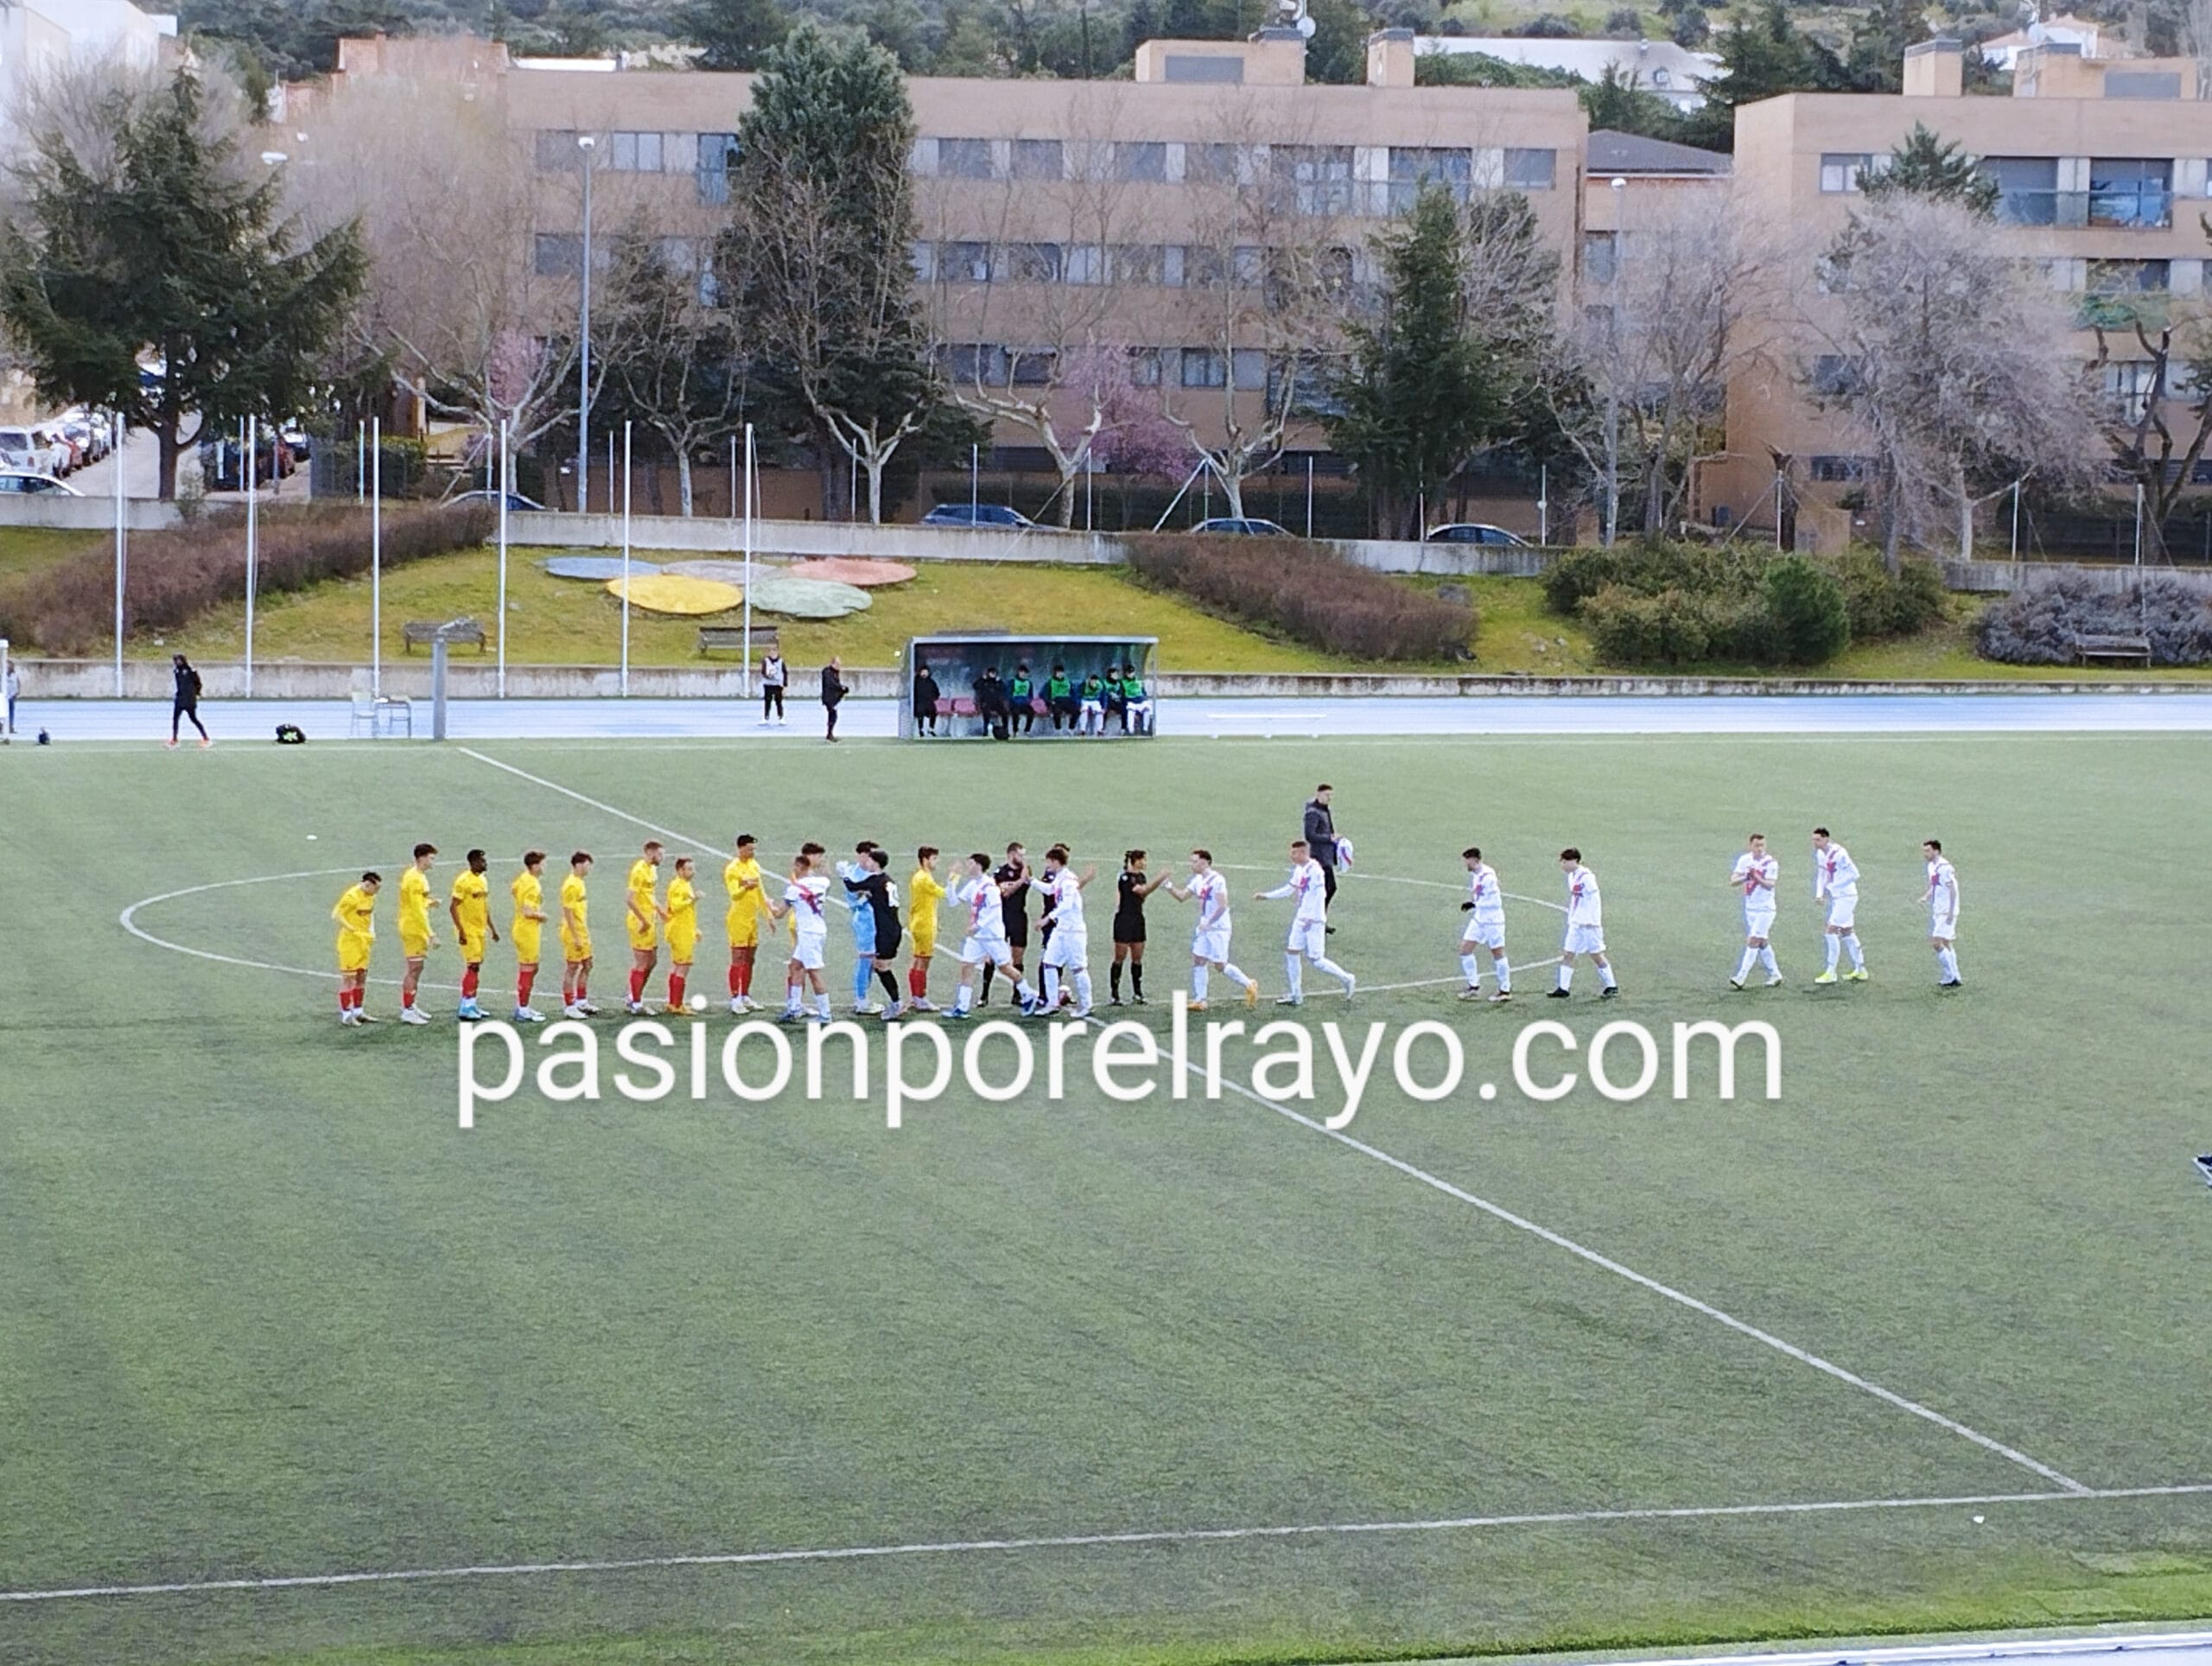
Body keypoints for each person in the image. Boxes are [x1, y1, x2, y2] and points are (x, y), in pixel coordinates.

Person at [1256, 838, 1356, 1006]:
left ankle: (1347, 978)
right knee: (1292, 952)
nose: (1291, 855)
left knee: (1316, 959)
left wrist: (1313, 918)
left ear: (1303, 852)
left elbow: (1320, 895)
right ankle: (1296, 994)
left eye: (1294, 852)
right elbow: (1289, 889)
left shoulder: (1315, 870)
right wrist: (1266, 896)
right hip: (1301, 918)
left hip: (1313, 920)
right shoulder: (1299, 869)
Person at [1165, 849, 1258, 1011]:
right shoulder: (1197, 880)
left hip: (1218, 928)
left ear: (1205, 862)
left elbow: (1222, 905)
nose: (1191, 865)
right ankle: (1201, 1000)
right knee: (1198, 959)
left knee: (1220, 965)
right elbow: (1181, 896)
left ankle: (1249, 984)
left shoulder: (1217, 880)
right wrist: (1168, 885)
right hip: (1205, 927)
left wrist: (1210, 921)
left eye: (1195, 861)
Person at [949, 853, 1039, 1017]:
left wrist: (978, 926)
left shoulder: (989, 886)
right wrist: (952, 880)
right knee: (966, 966)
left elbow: (994, 912)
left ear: (978, 865)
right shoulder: (973, 885)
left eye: (970, 864)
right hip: (977, 938)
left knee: (1005, 968)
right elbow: (953, 901)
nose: (968, 867)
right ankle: (962, 1007)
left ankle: (1028, 995)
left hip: (992, 936)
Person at [772, 849, 835, 1022]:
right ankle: (795, 1007)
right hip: (818, 930)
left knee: (814, 973)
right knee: (795, 966)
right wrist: (824, 863)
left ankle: (825, 1014)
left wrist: (768, 905)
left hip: (809, 934)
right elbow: (828, 877)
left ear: (800, 867)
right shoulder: (822, 882)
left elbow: (779, 914)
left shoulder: (794, 889)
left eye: (795, 866)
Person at [1035, 845, 1097, 1017]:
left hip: (1073, 931)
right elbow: (1049, 890)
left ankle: (1087, 1005)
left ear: (1055, 861)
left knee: (1078, 968)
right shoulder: (1060, 878)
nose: (1047, 866)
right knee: (1049, 963)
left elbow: (1067, 905)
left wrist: (1048, 918)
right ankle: (1052, 1003)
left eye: (1049, 862)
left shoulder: (1069, 881)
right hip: (1061, 930)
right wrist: (1030, 881)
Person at [843, 847, 906, 1018]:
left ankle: (897, 1004)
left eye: (870, 860)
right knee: (880, 966)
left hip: (885, 931)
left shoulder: (875, 880)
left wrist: (844, 874)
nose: (867, 863)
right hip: (893, 928)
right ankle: (896, 1002)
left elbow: (852, 886)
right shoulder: (887, 881)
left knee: (881, 967)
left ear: (876, 863)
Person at [1548, 847, 1618, 1000]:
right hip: (1576, 923)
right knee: (1568, 954)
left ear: (1575, 861)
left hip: (1589, 924)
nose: (1563, 865)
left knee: (1596, 955)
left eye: (1566, 861)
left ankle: (1611, 986)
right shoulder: (1572, 877)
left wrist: (1591, 918)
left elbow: (1593, 898)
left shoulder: (1587, 877)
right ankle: (1563, 988)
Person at [1109, 849, 1169, 1005]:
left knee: (1137, 957)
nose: (1145, 863)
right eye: (1143, 860)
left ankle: (1137, 993)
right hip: (1124, 920)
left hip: (1137, 919)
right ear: (1135, 861)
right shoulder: (1124, 878)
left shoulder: (1141, 877)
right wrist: (1160, 878)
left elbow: (1142, 895)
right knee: (1120, 957)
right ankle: (1115, 994)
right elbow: (1142, 891)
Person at [448, 848, 500, 1021]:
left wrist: (492, 928)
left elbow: (484, 906)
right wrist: (461, 931)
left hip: (480, 930)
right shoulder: (463, 881)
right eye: (482, 861)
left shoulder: (483, 880)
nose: (485, 864)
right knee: (473, 966)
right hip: (468, 930)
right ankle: (465, 1006)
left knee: (477, 966)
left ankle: (472, 1003)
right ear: (473, 862)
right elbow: (453, 907)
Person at [1811, 826, 1867, 985]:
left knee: (1831, 930)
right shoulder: (1820, 854)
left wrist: (1835, 886)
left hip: (1847, 896)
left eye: (1818, 840)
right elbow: (1822, 874)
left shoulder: (1840, 854)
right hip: (1839, 897)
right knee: (1847, 931)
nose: (1815, 843)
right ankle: (1860, 969)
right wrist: (1819, 893)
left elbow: (1854, 874)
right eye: (1814, 840)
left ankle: (1831, 971)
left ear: (1826, 839)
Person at [1728, 833, 1783, 990]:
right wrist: (1747, 876)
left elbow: (1770, 885)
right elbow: (1733, 881)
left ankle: (1741, 976)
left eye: (1762, 845)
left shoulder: (1771, 863)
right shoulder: (1744, 860)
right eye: (1757, 846)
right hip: (1750, 908)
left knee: (1753, 940)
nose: (1760, 849)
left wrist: (1756, 877)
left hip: (1766, 909)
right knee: (1762, 942)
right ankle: (1775, 974)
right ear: (1750, 846)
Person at [836, 840, 886, 1014]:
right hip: (865, 922)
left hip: (877, 921)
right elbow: (853, 902)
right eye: (871, 856)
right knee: (865, 960)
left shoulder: (873, 873)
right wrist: (866, 896)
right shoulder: (854, 874)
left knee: (871, 961)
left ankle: (864, 998)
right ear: (862, 856)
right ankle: (861, 1000)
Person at [1458, 847, 1511, 1002]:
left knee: (1497, 953)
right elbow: (1479, 896)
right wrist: (1473, 904)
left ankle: (1505, 990)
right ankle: (1474, 986)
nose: (1465, 864)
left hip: (1493, 920)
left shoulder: (1488, 876)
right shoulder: (1476, 875)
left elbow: (1493, 899)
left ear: (1474, 860)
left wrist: (1475, 904)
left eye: (1467, 861)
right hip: (1479, 918)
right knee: (1465, 950)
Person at [723, 833, 769, 1014]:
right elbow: (734, 894)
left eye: (753, 849)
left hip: (752, 919)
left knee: (750, 958)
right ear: (740, 848)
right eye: (749, 849)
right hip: (738, 919)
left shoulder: (754, 865)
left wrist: (768, 915)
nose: (752, 852)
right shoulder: (732, 869)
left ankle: (745, 995)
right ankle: (735, 999)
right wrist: (745, 887)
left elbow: (760, 892)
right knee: (738, 958)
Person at [981, 842, 1031, 1007]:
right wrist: (1019, 881)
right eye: (1020, 855)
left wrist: (1022, 877)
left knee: (1018, 955)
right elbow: (1005, 892)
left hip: (1019, 917)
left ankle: (1017, 995)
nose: (1023, 858)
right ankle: (984, 995)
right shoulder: (1000, 872)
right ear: (1011, 854)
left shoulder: (1026, 871)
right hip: (1001, 919)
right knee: (991, 957)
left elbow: (1021, 884)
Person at [397, 843, 438, 1025]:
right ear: (421, 858)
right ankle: (407, 1009)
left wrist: (429, 902)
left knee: (418, 967)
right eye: (431, 858)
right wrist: (430, 934)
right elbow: (416, 910)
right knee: (414, 968)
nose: (433, 861)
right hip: (413, 928)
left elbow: (418, 903)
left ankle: (411, 1005)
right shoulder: (414, 879)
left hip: (415, 926)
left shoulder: (418, 876)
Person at [332, 871, 381, 1026]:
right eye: (376, 888)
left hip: (364, 942)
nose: (377, 891)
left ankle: (358, 1012)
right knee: (349, 979)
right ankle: (346, 1015)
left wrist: (372, 931)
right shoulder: (351, 896)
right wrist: (352, 929)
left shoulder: (371, 896)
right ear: (368, 884)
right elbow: (336, 915)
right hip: (350, 943)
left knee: (361, 976)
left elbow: (370, 915)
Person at [624, 841, 666, 1015]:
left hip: (650, 919)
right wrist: (644, 921)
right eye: (660, 854)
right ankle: (635, 1003)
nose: (662, 858)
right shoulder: (638, 871)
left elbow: (649, 895)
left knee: (652, 961)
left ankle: (633, 995)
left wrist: (661, 911)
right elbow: (630, 899)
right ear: (650, 852)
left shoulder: (652, 870)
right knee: (642, 962)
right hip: (639, 922)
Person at [510, 850, 549, 1023]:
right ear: (535, 866)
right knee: (528, 968)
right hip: (527, 931)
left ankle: (524, 1006)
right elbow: (527, 911)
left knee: (532, 967)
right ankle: (523, 1008)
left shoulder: (524, 877)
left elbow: (513, 889)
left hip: (521, 928)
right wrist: (541, 915)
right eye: (543, 863)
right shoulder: (533, 884)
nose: (545, 866)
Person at [907, 846, 946, 1011]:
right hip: (924, 925)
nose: (936, 862)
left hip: (920, 922)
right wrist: (955, 877)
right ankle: (920, 998)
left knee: (917, 960)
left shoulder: (920, 876)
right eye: (934, 859)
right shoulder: (924, 879)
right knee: (923, 962)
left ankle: (916, 997)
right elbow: (944, 893)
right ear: (925, 860)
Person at [1919, 839, 1962, 988]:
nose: (1925, 854)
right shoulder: (1932, 866)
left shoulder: (1945, 867)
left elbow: (1952, 890)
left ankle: (1950, 977)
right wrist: (1926, 896)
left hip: (1946, 911)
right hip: (1939, 910)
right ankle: (1955, 975)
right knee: (1946, 942)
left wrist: (1951, 912)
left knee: (1936, 943)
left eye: (1928, 850)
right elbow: (1935, 884)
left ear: (1936, 851)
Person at [560, 850, 596, 1019]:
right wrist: (575, 936)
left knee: (588, 964)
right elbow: (567, 912)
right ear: (579, 865)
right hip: (573, 932)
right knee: (572, 968)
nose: (589, 869)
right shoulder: (571, 885)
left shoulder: (580, 882)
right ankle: (569, 1005)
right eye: (588, 865)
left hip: (582, 930)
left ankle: (581, 1001)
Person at [665, 855, 699, 1013]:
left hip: (682, 929)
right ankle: (677, 1005)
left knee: (677, 965)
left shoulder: (683, 884)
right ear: (680, 870)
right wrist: (692, 900)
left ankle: (673, 1002)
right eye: (689, 869)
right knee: (683, 966)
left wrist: (694, 929)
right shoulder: (679, 886)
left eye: (693, 868)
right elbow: (675, 906)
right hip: (680, 931)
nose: (693, 872)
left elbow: (687, 912)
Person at [1304, 785, 1340, 920]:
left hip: (1325, 856)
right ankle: (1317, 918)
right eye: (1327, 795)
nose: (1329, 798)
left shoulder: (1324, 810)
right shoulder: (1313, 813)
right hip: (1319, 857)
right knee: (1328, 888)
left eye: (1331, 795)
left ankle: (1319, 917)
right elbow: (1310, 836)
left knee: (1327, 888)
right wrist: (1329, 839)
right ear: (1318, 794)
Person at [167, 653, 210, 749]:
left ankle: (205, 738)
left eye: (179, 660)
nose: (178, 662)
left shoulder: (191, 670)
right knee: (175, 719)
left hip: (190, 699)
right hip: (180, 699)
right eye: (176, 660)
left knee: (194, 719)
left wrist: (197, 693)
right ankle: (174, 739)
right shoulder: (176, 671)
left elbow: (198, 683)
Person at [976, 665, 1010, 741]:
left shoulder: (997, 682)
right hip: (986, 703)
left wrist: (1000, 681)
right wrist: (982, 679)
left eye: (994, 673)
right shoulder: (984, 682)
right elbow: (976, 686)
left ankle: (1005, 730)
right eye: (991, 673)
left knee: (1005, 713)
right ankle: (985, 731)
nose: (993, 674)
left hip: (997, 704)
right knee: (986, 714)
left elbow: (1004, 689)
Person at [1121, 663, 1154, 735]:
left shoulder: (1139, 681)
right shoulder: (1123, 682)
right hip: (1130, 701)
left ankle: (1145, 729)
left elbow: (1143, 692)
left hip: (1140, 700)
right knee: (1130, 711)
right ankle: (1131, 730)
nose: (1130, 674)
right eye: (1129, 673)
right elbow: (1123, 694)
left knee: (1147, 709)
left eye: (1132, 672)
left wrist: (1145, 699)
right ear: (1126, 673)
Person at [820, 656, 847, 742]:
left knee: (833, 716)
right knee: (833, 715)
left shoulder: (835, 673)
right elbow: (832, 684)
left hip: (833, 699)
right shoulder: (827, 672)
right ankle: (829, 734)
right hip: (829, 698)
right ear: (833, 663)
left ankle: (830, 734)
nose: (839, 666)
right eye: (837, 664)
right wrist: (841, 688)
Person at [759, 647, 787, 726]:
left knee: (779, 702)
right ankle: (766, 717)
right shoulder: (766, 661)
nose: (773, 653)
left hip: (778, 684)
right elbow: (763, 671)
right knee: (767, 701)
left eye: (774, 651)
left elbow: (785, 673)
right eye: (771, 651)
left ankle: (781, 717)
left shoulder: (781, 661)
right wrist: (768, 675)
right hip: (768, 684)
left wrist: (785, 685)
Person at [1007, 663, 1037, 736]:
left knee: (1031, 712)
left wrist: (1028, 701)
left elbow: (1030, 695)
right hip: (1015, 704)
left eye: (1025, 673)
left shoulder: (1029, 683)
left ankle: (1027, 730)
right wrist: (1014, 701)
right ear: (1019, 672)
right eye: (1022, 673)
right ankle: (1015, 731)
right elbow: (1009, 694)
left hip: (1025, 704)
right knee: (1015, 713)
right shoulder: (1012, 682)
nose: (1024, 675)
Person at [1045, 664, 1077, 732]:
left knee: (1076, 711)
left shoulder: (1068, 681)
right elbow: (1044, 694)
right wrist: (1049, 701)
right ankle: (1058, 729)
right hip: (1056, 700)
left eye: (1061, 672)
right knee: (1057, 712)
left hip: (1067, 700)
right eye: (1058, 672)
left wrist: (1074, 701)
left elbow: (1074, 693)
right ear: (1055, 673)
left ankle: (1071, 728)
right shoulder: (1050, 682)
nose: (1060, 674)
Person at [1077, 670, 1108, 737]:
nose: (1093, 682)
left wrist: (1104, 708)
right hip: (1085, 700)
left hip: (1095, 700)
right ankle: (1082, 730)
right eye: (1092, 680)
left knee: (1099, 712)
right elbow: (1078, 695)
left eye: (1095, 680)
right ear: (1089, 680)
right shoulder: (1084, 684)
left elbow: (1104, 697)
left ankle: (1099, 730)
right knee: (1084, 711)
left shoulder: (1100, 685)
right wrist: (1079, 706)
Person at [3, 658, 17, 736]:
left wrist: (17, 692)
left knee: (11, 711)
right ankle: (2, 726)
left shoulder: (15, 675)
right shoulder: (3, 675)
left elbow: (17, 683)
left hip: (11, 696)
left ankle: (10, 726)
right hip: (4, 696)